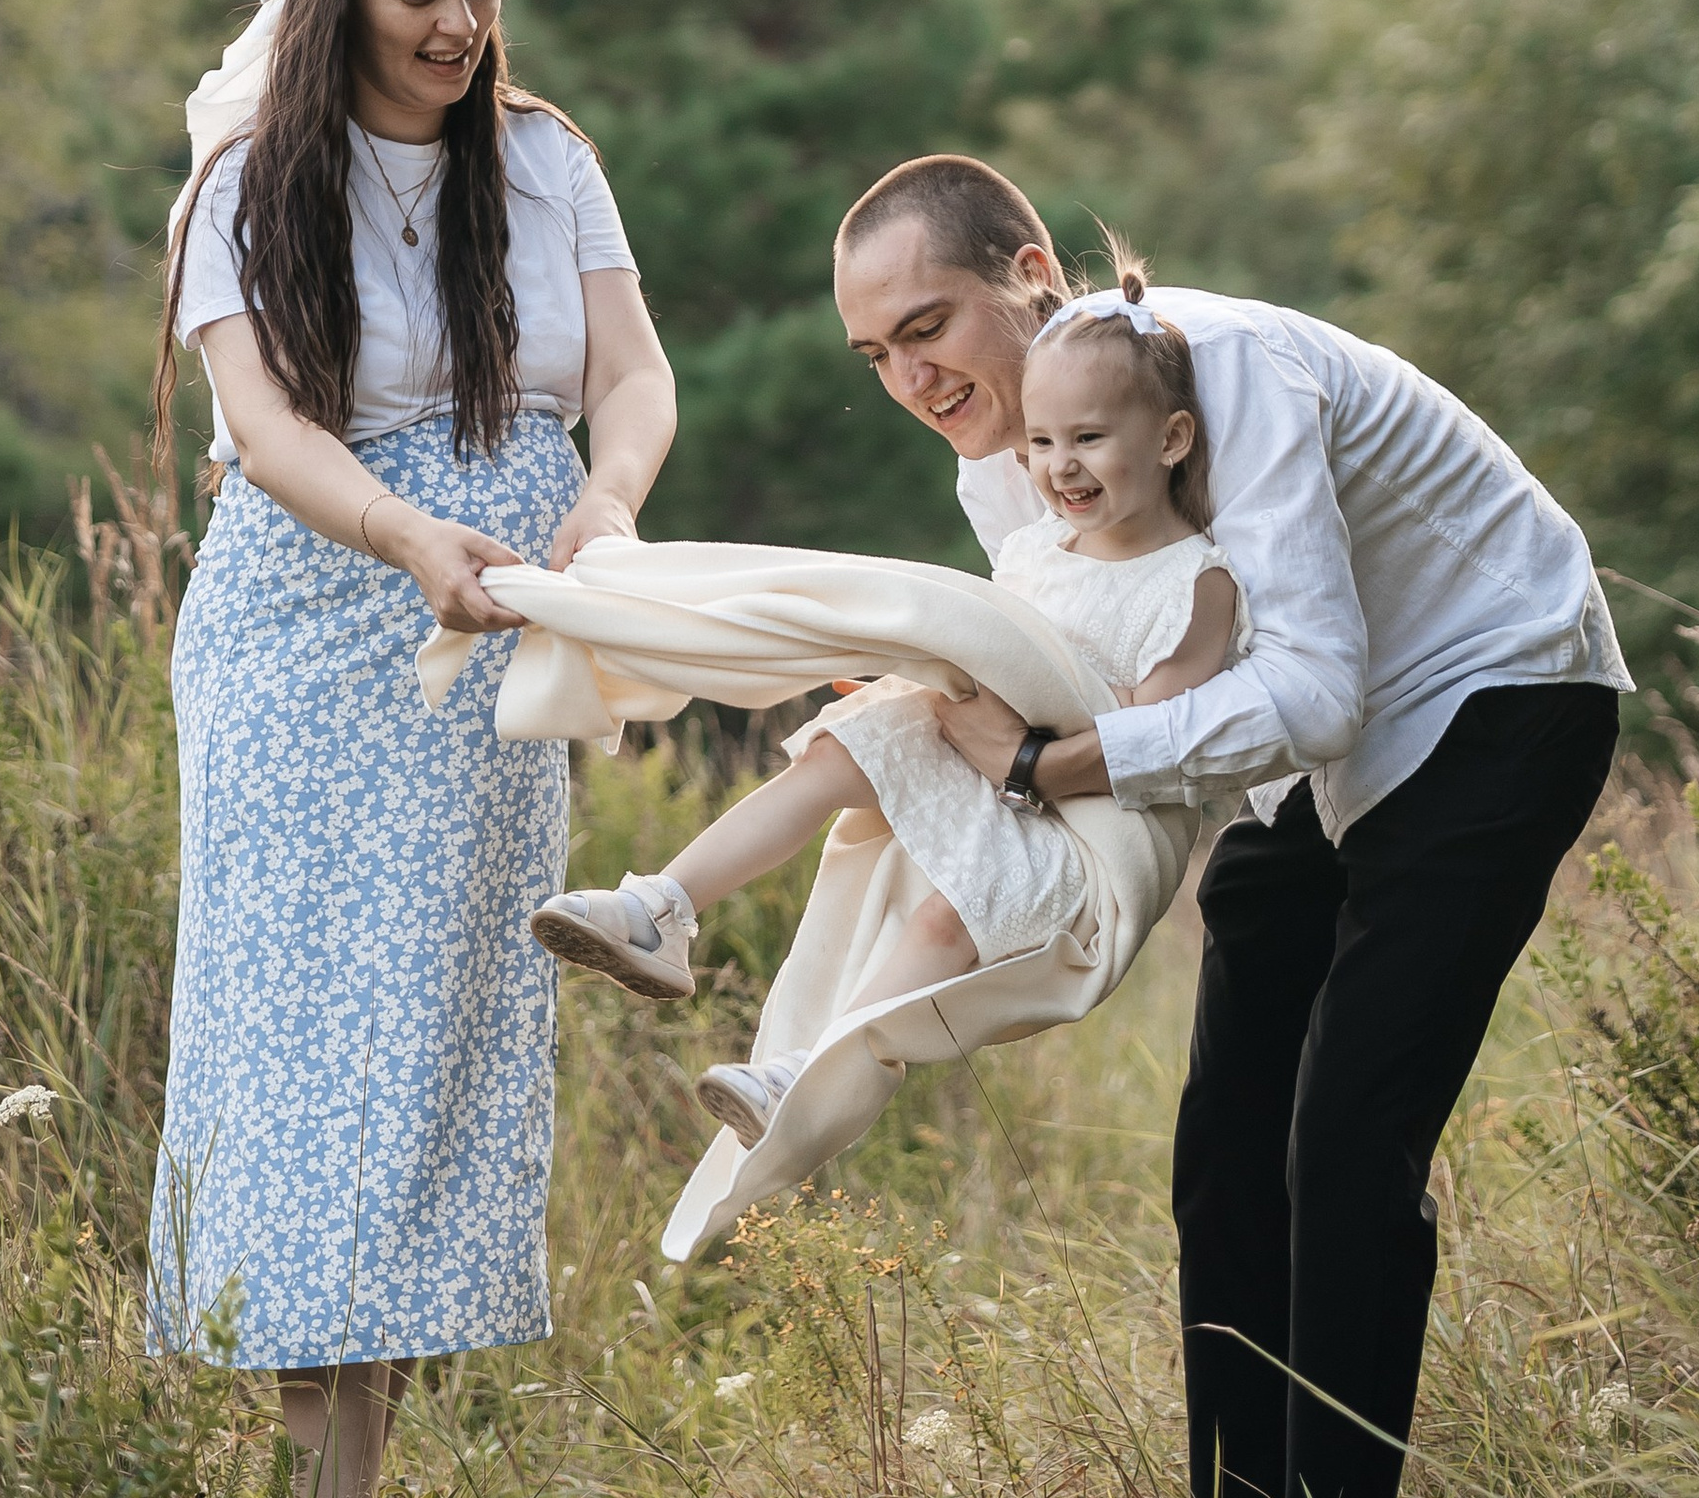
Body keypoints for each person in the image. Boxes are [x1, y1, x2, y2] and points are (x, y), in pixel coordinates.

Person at [831, 154, 1628, 1498]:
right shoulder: (997, 466)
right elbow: (1098, 677)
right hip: (1291, 760)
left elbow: (1310, 690)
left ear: (1030, 277)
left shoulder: (1231, 367)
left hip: (1490, 696)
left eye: (927, 327)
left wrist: (1041, 767)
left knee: (1346, 1138)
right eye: (875, 354)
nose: (910, 378)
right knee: (1225, 1151)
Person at [144, 0, 675, 1498]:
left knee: (428, 1049)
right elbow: (264, 430)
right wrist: (401, 533)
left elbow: (636, 376)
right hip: (309, 636)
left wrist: (606, 506)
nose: (458, 26)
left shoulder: (545, 161)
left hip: (495, 639)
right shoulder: (247, 189)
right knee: (301, 1053)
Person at [530, 295, 1245, 1146]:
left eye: (1089, 439)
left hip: (1073, 812)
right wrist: (914, 664)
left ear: (1171, 439)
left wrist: (1015, 720)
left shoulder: (1196, 583)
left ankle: (809, 1074)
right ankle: (662, 908)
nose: (1062, 468)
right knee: (837, 752)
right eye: (1045, 443)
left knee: (947, 916)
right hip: (983, 746)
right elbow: (987, 642)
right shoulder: (1038, 546)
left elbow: (1145, 737)